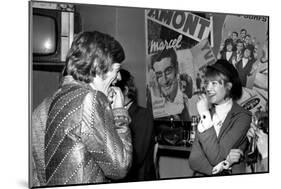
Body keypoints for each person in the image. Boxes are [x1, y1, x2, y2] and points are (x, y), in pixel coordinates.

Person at [32, 31, 132, 187]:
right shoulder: (90, 99)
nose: (118, 78)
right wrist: (119, 112)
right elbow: (120, 167)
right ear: (99, 66)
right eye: (116, 69)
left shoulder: (48, 103)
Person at [188, 59, 251, 176]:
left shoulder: (242, 117)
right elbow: (194, 160)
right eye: (207, 83)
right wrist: (223, 167)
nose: (208, 88)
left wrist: (204, 113)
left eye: (214, 83)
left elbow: (216, 158)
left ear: (228, 86)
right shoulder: (207, 114)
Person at [115, 69, 156, 181]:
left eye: (113, 92)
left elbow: (136, 158)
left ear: (125, 91)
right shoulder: (110, 114)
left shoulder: (143, 115)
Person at [148, 48, 192, 121]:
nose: (165, 81)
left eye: (168, 71)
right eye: (159, 74)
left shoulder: (188, 99)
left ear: (176, 68)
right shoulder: (152, 102)